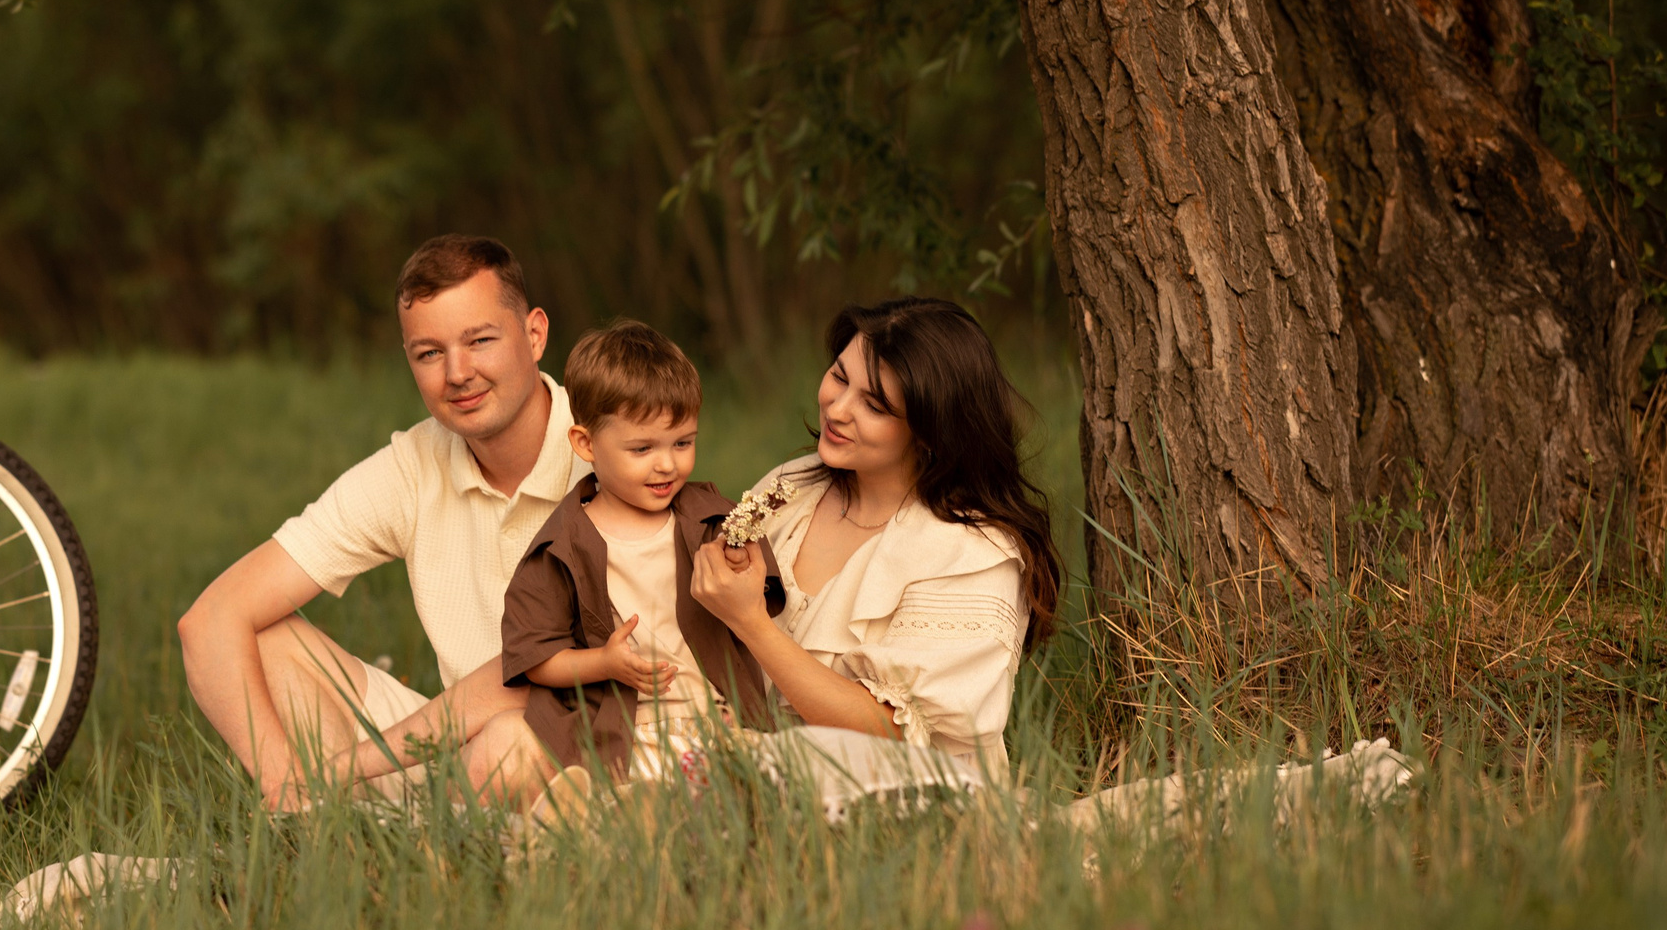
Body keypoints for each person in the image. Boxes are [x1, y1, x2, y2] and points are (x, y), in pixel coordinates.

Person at [176, 235, 586, 809]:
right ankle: (329, 829)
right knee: (265, 639)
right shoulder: (414, 466)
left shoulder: (608, 450)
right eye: (429, 353)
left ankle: (408, 829)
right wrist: (283, 783)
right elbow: (210, 620)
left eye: (480, 341)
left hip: (593, 751)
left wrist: (347, 767)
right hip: (456, 744)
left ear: (535, 334)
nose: (457, 373)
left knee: (509, 743)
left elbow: (535, 678)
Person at [688, 297, 1064, 819]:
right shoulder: (789, 489)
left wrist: (751, 623)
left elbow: (889, 731)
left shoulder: (972, 552)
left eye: (875, 405)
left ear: (930, 430)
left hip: (904, 811)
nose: (838, 409)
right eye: (839, 377)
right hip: (760, 780)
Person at [471, 321, 781, 807]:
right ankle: (607, 816)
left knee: (760, 786)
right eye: (643, 449)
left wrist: (741, 565)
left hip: (715, 724)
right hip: (624, 737)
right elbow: (535, 656)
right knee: (621, 796)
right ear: (586, 444)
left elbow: (759, 604)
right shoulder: (562, 545)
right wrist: (604, 663)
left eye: (682, 443)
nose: (667, 464)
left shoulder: (709, 519)